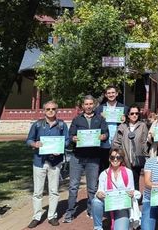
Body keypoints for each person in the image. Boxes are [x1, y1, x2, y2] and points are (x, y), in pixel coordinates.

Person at [64, 95, 109, 223]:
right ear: (82, 106)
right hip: (77, 157)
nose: (88, 106)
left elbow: (106, 133)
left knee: (92, 187)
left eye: (90, 104)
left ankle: (91, 210)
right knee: (73, 186)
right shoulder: (77, 119)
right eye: (86, 104)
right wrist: (73, 138)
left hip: (94, 157)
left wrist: (103, 136)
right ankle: (70, 212)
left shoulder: (100, 119)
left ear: (94, 105)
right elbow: (71, 134)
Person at [25, 100, 69, 228]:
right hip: (39, 161)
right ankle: (36, 216)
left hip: (55, 162)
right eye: (48, 109)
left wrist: (60, 148)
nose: (51, 111)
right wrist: (35, 144)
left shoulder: (61, 125)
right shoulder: (37, 125)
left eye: (53, 109)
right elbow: (29, 140)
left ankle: (52, 216)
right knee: (37, 192)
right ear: (44, 110)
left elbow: (66, 140)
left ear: (57, 110)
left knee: (54, 190)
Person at [91, 148, 139, 230]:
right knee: (96, 201)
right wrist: (99, 194)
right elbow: (100, 190)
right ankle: (98, 227)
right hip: (108, 205)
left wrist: (131, 194)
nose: (115, 160)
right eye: (112, 157)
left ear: (122, 159)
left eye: (118, 157)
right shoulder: (103, 174)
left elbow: (132, 191)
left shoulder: (128, 172)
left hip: (122, 208)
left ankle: (119, 220)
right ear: (109, 159)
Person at [113, 105, 149, 191]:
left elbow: (145, 142)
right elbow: (116, 142)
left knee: (135, 180)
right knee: (125, 180)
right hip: (125, 159)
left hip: (137, 158)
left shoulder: (142, 126)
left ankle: (136, 200)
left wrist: (146, 156)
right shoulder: (122, 126)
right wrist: (120, 156)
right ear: (128, 115)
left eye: (136, 113)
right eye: (132, 113)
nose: (134, 115)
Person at [96, 85, 129, 173]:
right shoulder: (99, 109)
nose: (111, 95)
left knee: (119, 166)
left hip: (119, 141)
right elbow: (95, 125)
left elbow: (130, 124)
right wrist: (100, 117)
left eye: (113, 93)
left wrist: (125, 119)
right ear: (106, 95)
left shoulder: (124, 109)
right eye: (109, 93)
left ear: (117, 94)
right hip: (104, 142)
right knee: (103, 167)